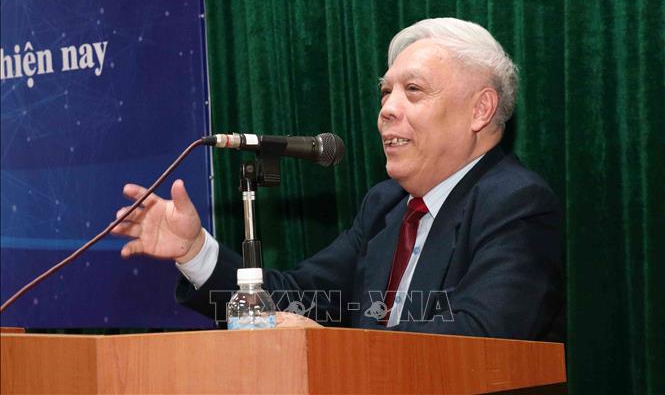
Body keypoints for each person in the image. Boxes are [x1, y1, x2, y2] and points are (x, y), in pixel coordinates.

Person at [112, 18, 565, 341]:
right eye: (385, 92)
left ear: (480, 110)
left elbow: (480, 336)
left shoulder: (516, 203)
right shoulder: (387, 205)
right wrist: (195, 252)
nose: (387, 109)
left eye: (413, 90)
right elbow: (298, 299)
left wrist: (332, 345)